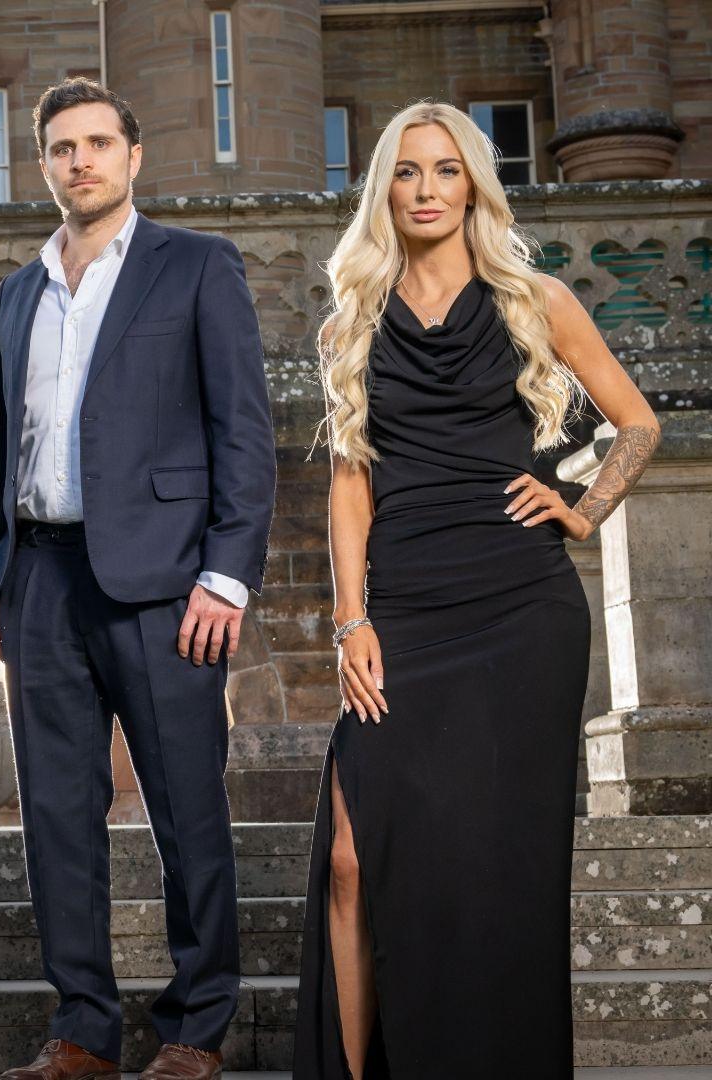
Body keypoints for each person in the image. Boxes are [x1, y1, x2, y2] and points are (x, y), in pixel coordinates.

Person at [295, 101, 660, 1079]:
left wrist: (580, 505)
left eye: (446, 171)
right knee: (350, 862)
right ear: (385, 189)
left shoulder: (533, 300)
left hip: (520, 614)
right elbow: (349, 484)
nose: (425, 190)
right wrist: (350, 621)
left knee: (498, 875)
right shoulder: (350, 324)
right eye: (407, 172)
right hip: (405, 612)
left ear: (473, 188)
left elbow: (636, 424)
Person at [0, 78, 276, 1080]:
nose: (81, 162)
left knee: (188, 806)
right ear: (44, 163)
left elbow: (244, 433)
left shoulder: (196, 267)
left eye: (99, 143)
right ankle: (85, 1031)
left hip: (165, 585)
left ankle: (195, 1030)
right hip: (42, 580)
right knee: (57, 812)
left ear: (134, 157)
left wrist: (225, 577)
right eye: (62, 148)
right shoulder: (20, 289)